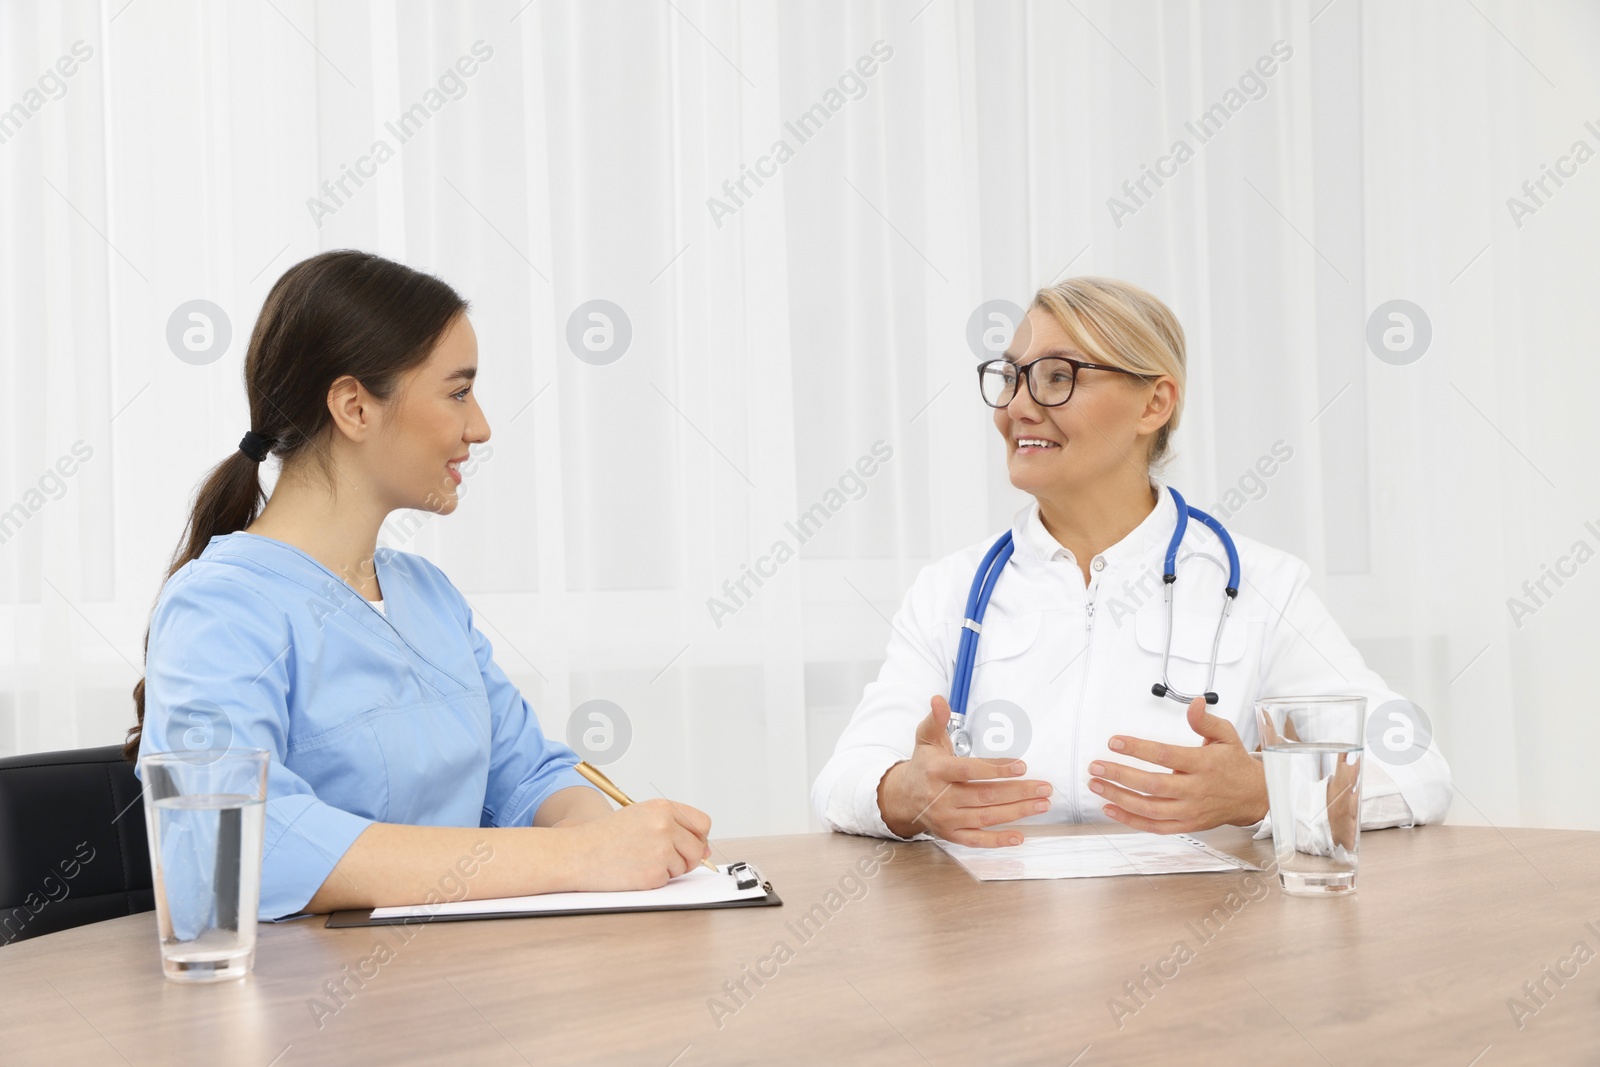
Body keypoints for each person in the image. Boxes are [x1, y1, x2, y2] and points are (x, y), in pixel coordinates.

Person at [127, 250, 711, 919]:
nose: (480, 426)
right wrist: (576, 858)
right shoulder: (222, 608)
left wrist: (601, 835)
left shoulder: (427, 595)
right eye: (458, 392)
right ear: (353, 406)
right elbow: (226, 850)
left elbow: (530, 776)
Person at [811, 276, 1451, 847]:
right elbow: (844, 778)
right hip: (995, 945)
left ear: (1154, 404)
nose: (1018, 407)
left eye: (1058, 377)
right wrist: (903, 794)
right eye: (1010, 377)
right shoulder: (951, 591)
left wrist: (1265, 789)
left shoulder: (1260, 586)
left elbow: (1417, 766)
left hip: (1195, 949)